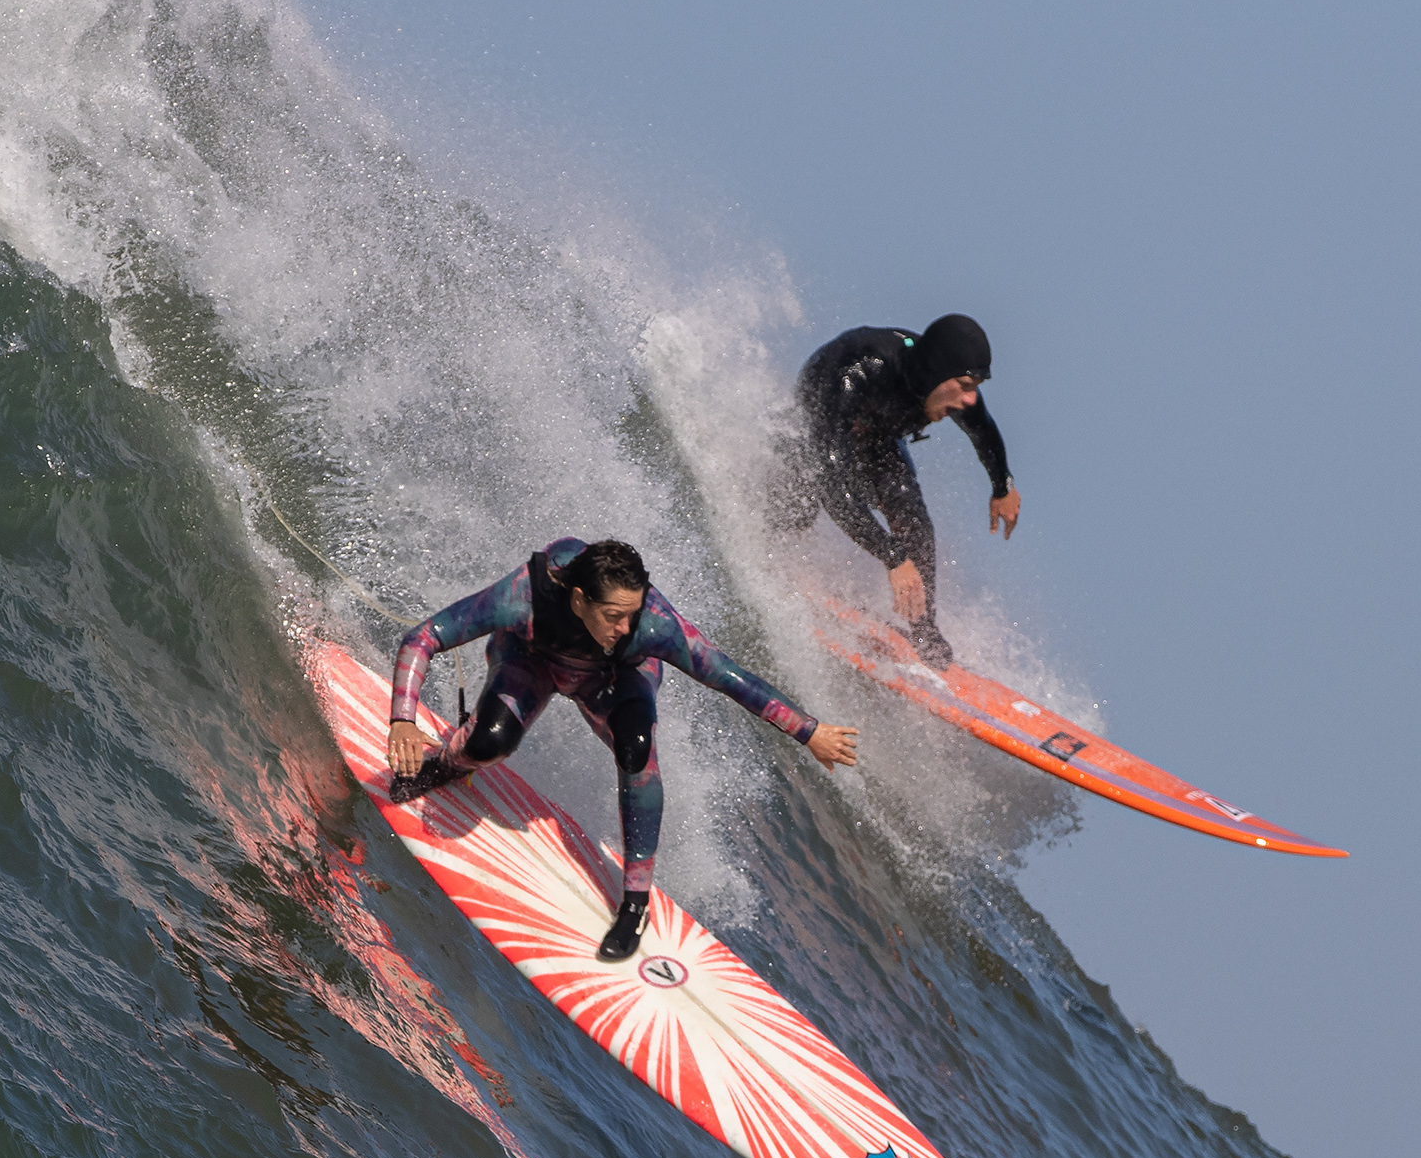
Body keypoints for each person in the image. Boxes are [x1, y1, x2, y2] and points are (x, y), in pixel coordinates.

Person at [385, 538, 860, 961]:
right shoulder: (524, 597)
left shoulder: (652, 627)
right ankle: (449, 763)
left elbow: (729, 676)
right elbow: (422, 637)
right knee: (489, 743)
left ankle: (635, 905)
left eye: (632, 612)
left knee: (636, 748)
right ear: (578, 599)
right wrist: (403, 721)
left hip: (613, 680)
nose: (625, 625)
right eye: (613, 615)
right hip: (532, 662)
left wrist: (808, 732)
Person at [773, 313, 1019, 668]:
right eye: (966, 385)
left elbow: (983, 430)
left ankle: (923, 629)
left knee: (913, 519)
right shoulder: (857, 372)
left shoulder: (945, 383)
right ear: (938, 372)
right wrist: (892, 556)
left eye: (975, 387)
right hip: (815, 434)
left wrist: (1002, 486)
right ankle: (773, 563)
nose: (970, 400)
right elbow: (831, 483)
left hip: (876, 437)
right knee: (803, 493)